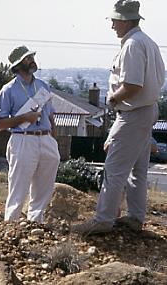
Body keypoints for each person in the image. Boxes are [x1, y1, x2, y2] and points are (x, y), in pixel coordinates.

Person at [72, 0, 165, 235]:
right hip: (147, 111)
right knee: (138, 170)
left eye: (115, 20)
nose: (112, 25)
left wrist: (113, 100)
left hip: (133, 113)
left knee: (114, 170)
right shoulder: (149, 43)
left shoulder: (132, 44)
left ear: (124, 21)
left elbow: (133, 85)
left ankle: (103, 220)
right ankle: (135, 217)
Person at [0, 45, 60, 224]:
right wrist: (25, 117)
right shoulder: (8, 90)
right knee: (19, 187)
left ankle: (36, 223)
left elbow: (50, 114)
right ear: (17, 65)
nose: (31, 60)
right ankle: (11, 225)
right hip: (23, 139)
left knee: (44, 185)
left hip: (45, 138)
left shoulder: (42, 85)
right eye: (26, 58)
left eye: (31, 57)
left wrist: (52, 137)